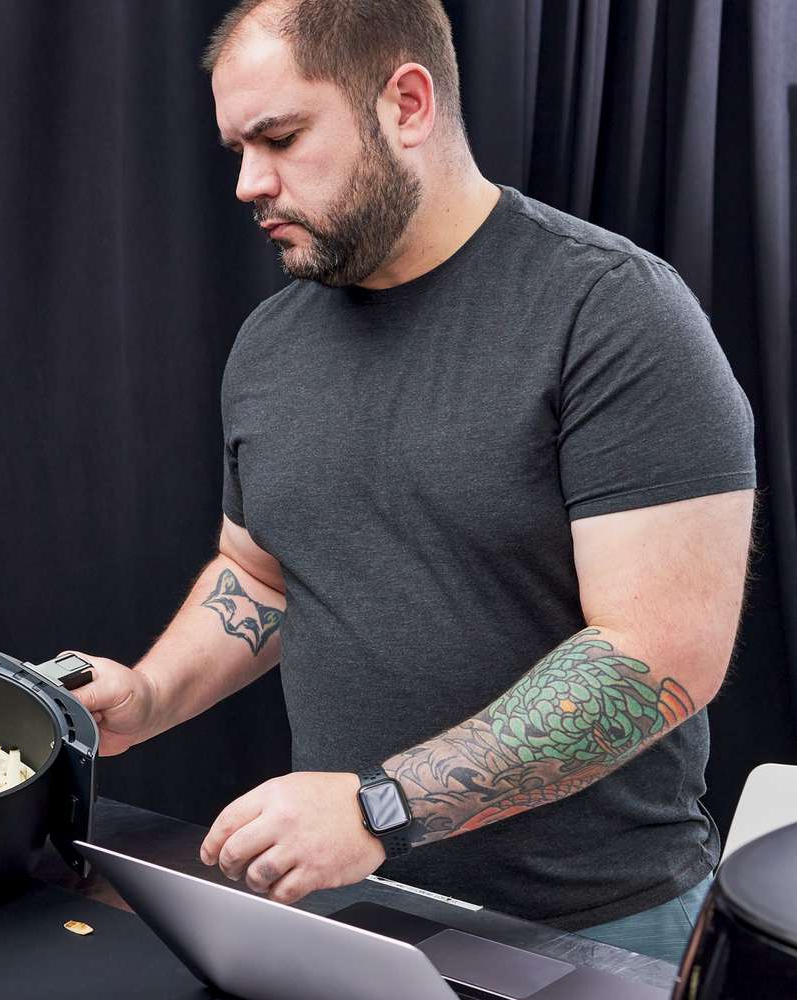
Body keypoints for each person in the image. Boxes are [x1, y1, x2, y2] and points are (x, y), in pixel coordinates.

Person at [63, 0, 754, 965]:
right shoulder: (273, 341)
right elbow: (262, 574)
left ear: (408, 103)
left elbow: (659, 655)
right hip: (348, 904)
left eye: (280, 137)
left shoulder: (611, 312)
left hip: (593, 929)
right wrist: (149, 696)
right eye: (238, 149)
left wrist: (381, 806)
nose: (248, 183)